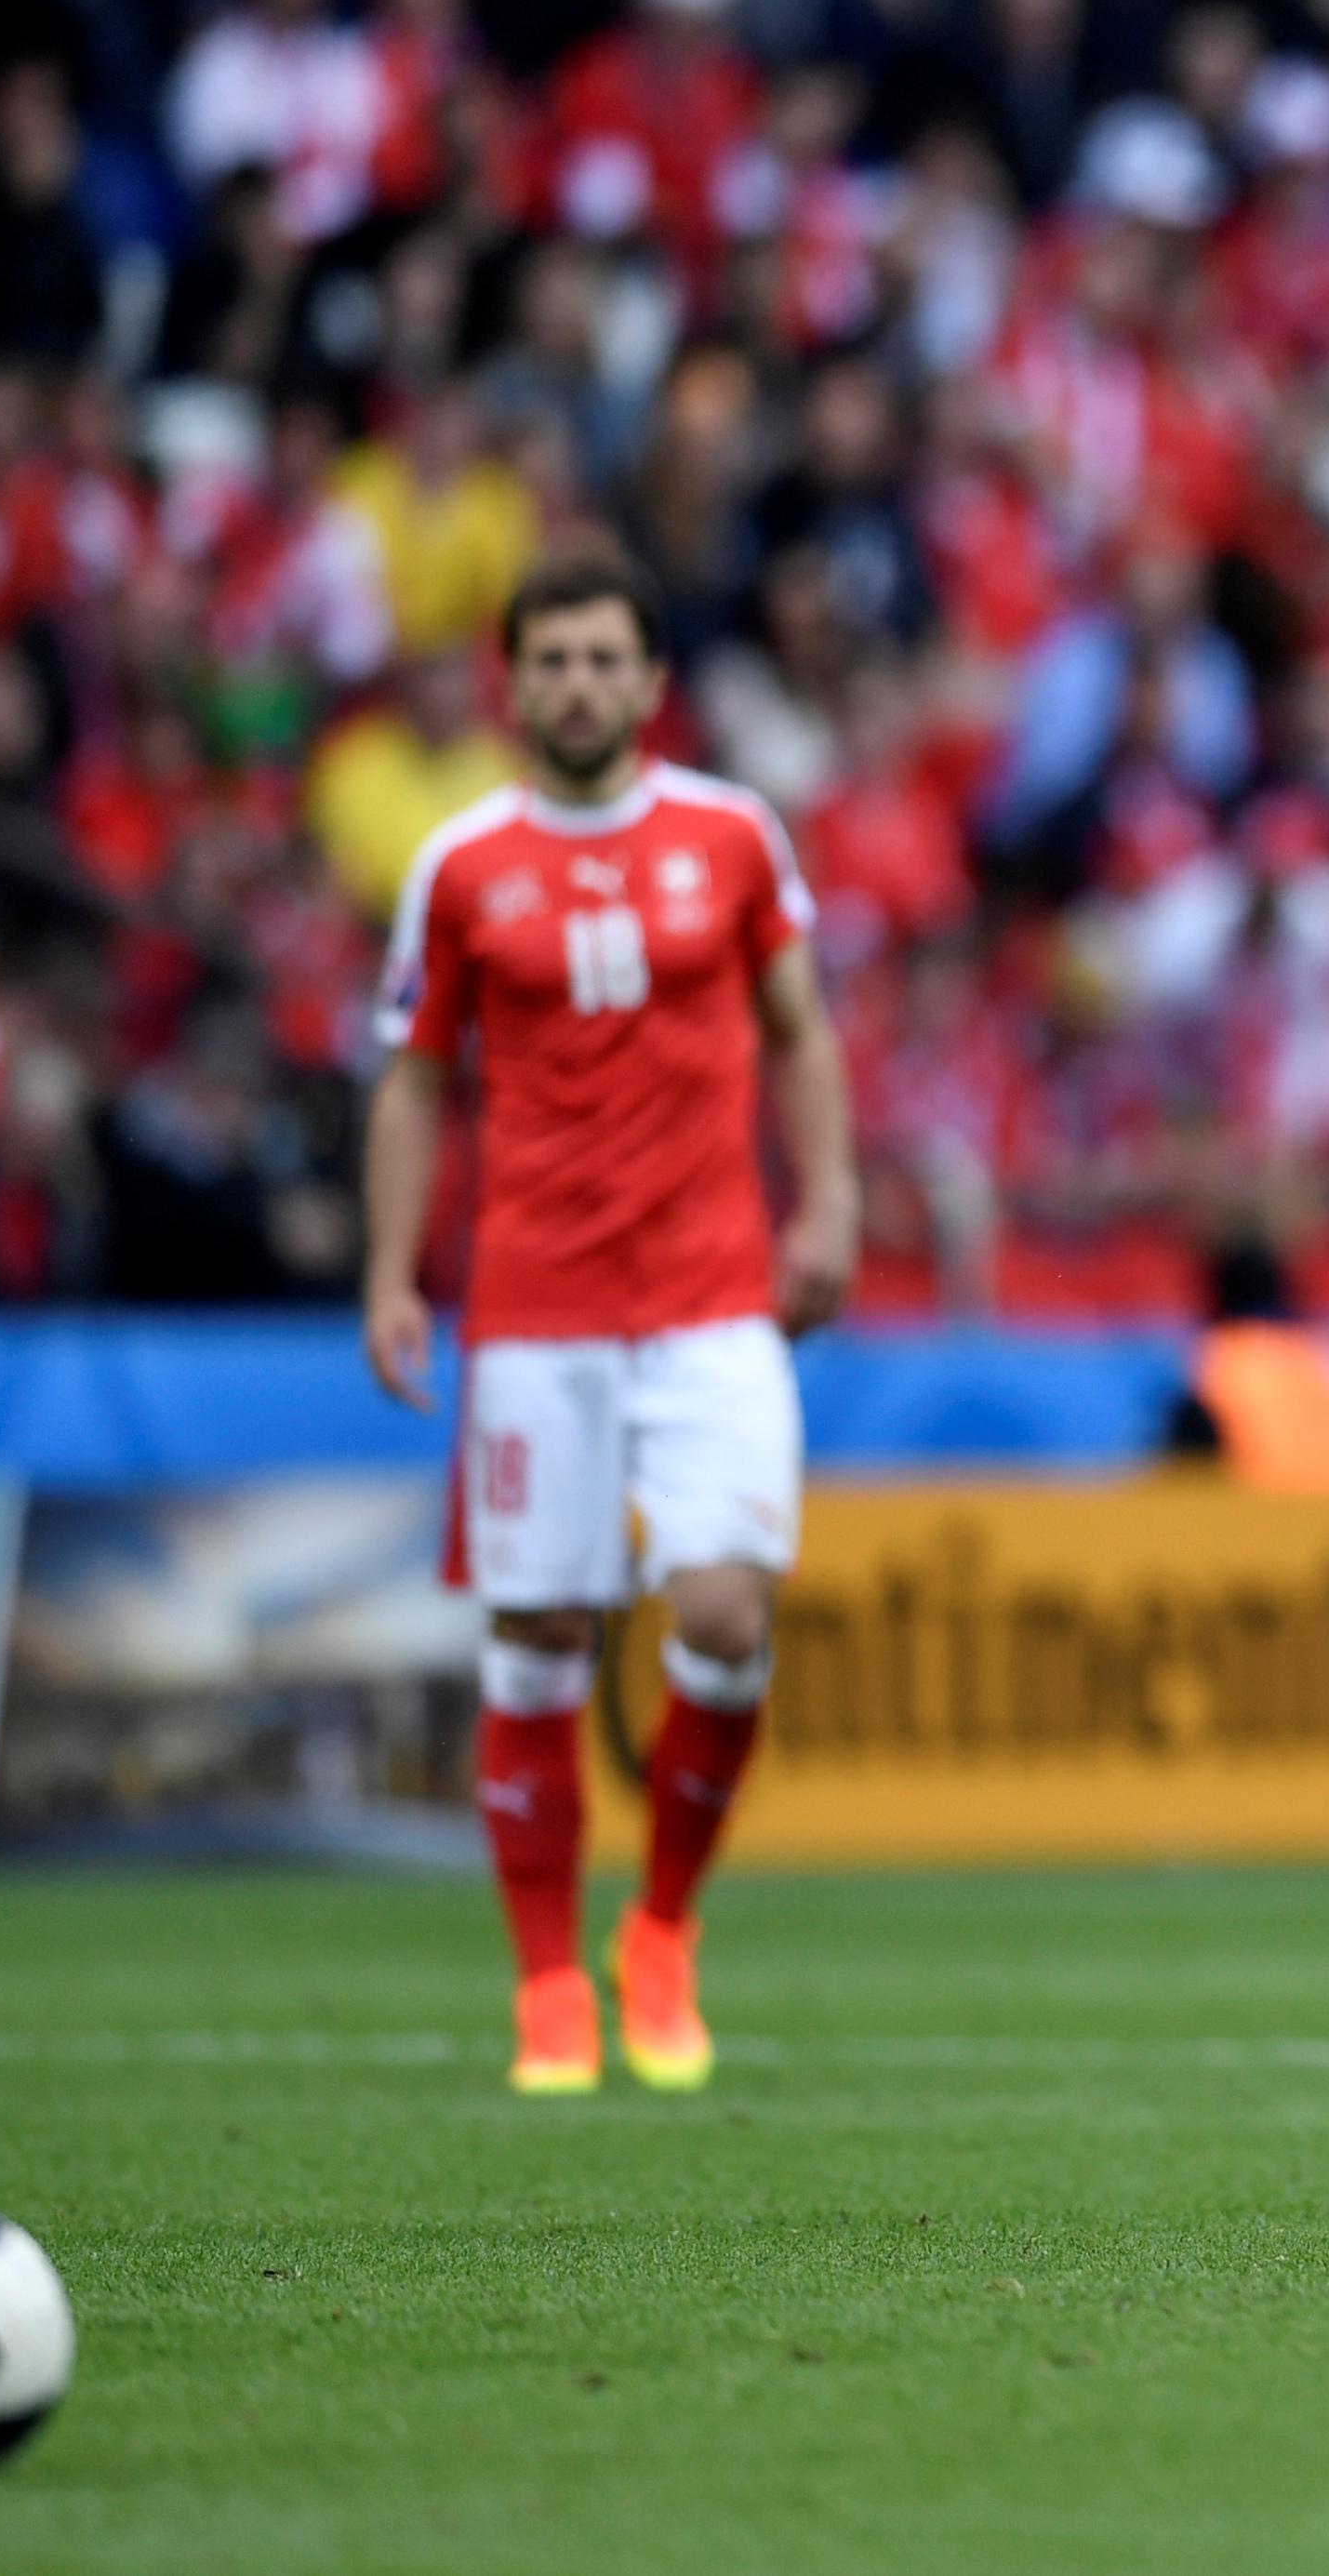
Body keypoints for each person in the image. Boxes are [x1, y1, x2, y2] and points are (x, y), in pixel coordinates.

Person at [363, 546, 857, 2099]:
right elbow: (415, 1072)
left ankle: (661, 1928)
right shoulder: (459, 865)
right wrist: (392, 1270)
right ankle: (542, 1988)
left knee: (720, 1615)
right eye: (550, 660)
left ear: (652, 682)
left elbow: (799, 1029)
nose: (576, 685)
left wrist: (830, 1200)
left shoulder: (730, 834)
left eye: (602, 659)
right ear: (512, 683)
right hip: (535, 1309)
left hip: (711, 1293)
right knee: (541, 1635)